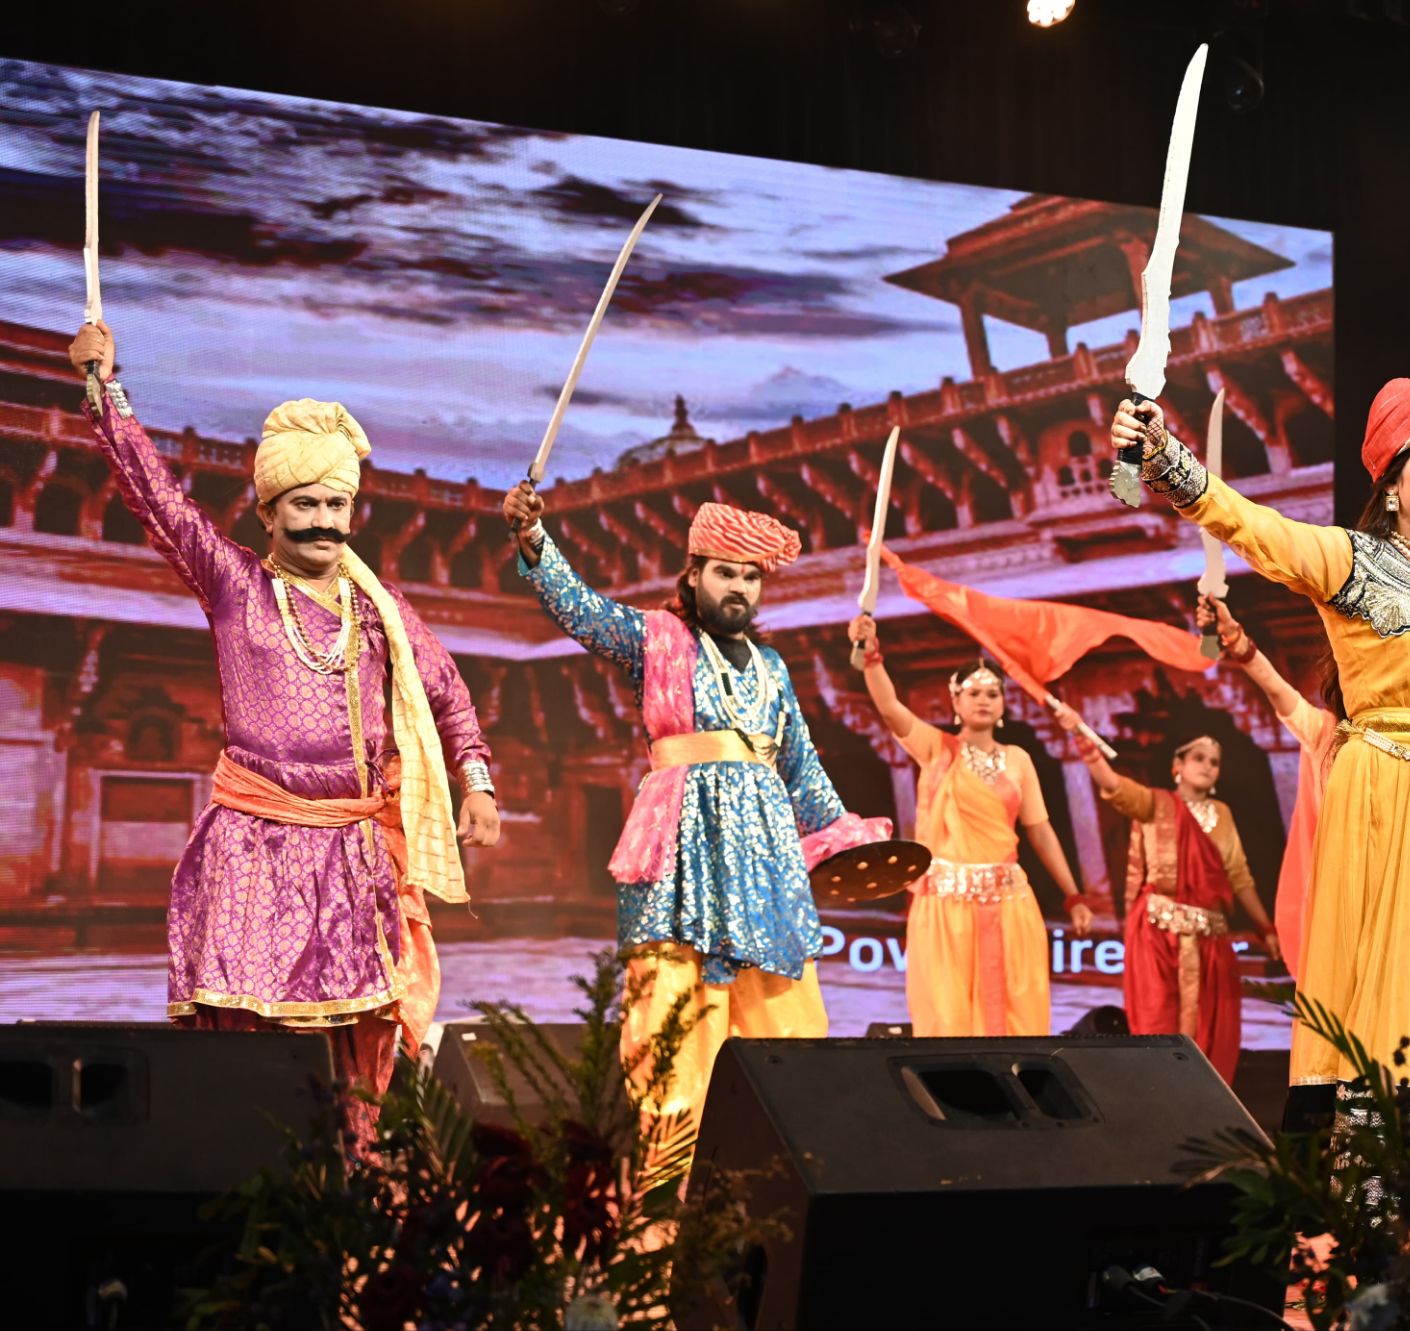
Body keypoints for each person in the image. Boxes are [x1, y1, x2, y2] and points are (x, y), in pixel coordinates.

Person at [1108, 363, 1410, 1172]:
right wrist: (1163, 454)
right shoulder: (1350, 560)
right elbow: (1249, 524)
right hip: (1393, 796)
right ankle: (1381, 1186)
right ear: (1393, 480)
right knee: (1393, 985)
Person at [67, 321, 500, 1147]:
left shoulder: (380, 611)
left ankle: (352, 1183)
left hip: (354, 851)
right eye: (305, 504)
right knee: (250, 1033)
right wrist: (104, 392)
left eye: (337, 505)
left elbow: (448, 694)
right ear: (267, 511)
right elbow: (157, 500)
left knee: (358, 1043)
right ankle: (248, 1188)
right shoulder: (235, 585)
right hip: (255, 844)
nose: (324, 522)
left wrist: (475, 780)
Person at [504, 481, 885, 1136]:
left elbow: (801, 766)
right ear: (693, 575)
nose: (739, 587)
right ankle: (668, 1187)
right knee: (673, 1033)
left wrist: (847, 839)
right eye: (724, 573)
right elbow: (584, 611)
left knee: (787, 1030)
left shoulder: (772, 666)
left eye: (750, 576)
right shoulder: (658, 641)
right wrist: (534, 538)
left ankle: (777, 1172)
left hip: (766, 872)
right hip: (679, 864)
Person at [846, 615, 1092, 1035]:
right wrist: (871, 656)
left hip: (1009, 902)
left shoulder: (1018, 760)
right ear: (955, 703)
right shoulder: (936, 749)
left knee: (1015, 1013)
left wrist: (1074, 896)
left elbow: (1040, 831)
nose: (984, 700)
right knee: (948, 1016)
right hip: (946, 906)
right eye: (973, 693)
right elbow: (889, 708)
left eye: (993, 693)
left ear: (1003, 705)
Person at [1059, 711, 1280, 1084]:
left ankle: (1205, 1109)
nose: (1207, 766)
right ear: (1177, 765)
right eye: (1198, 758)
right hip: (1158, 940)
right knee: (1157, 1023)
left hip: (1210, 943)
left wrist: (1265, 927)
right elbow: (1113, 786)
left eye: (1214, 762)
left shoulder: (1222, 814)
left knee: (1213, 1034)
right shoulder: (1156, 804)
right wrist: (1084, 742)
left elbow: (1239, 876)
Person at [1192, 595, 1338, 973]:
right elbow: (1276, 689)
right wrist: (1237, 640)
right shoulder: (1325, 732)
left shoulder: (1404, 738)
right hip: (1341, 886)